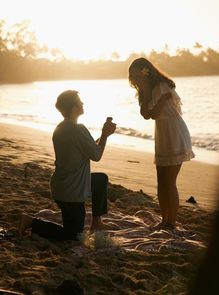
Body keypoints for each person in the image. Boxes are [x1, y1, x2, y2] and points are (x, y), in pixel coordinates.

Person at [18, 90, 116, 240]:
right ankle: (30, 222)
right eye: (79, 101)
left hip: (61, 186)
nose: (82, 103)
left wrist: (101, 137)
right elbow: (96, 155)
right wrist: (105, 134)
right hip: (72, 192)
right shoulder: (78, 130)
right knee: (73, 235)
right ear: (74, 107)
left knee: (100, 180)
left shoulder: (61, 128)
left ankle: (96, 223)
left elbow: (88, 148)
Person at [128, 57, 195, 230]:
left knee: (169, 181)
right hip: (162, 134)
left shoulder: (162, 86)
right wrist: (145, 93)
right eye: (132, 76)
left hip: (174, 132)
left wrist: (159, 101)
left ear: (145, 71)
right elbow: (146, 115)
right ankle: (164, 219)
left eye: (136, 75)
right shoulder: (144, 91)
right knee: (161, 181)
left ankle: (171, 222)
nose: (134, 79)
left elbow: (155, 114)